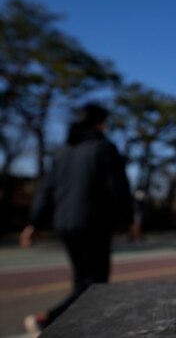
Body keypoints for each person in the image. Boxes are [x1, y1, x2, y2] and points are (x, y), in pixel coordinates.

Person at [20, 103, 133, 336]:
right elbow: (118, 189)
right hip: (93, 224)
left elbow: (46, 188)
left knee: (81, 280)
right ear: (100, 123)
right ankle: (47, 318)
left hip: (64, 224)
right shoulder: (104, 148)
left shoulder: (63, 151)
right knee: (95, 284)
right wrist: (129, 219)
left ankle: (74, 327)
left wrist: (35, 222)